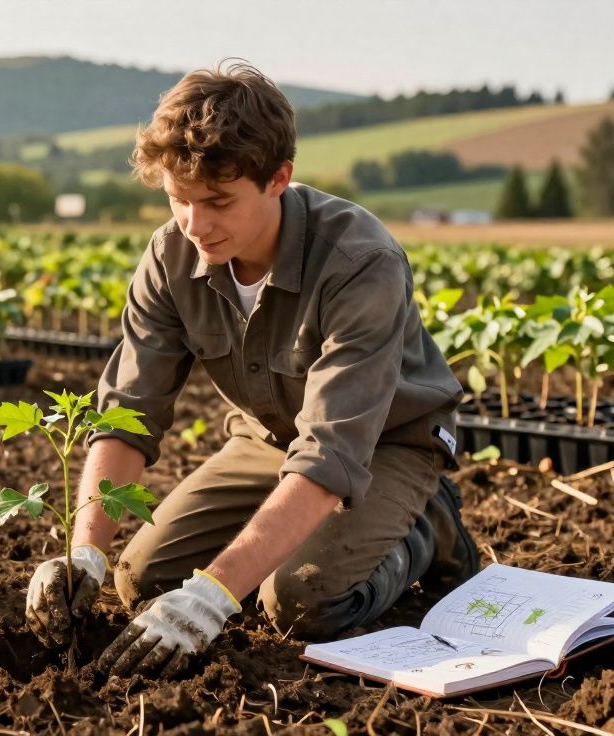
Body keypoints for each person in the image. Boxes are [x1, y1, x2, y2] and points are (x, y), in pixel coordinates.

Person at [24, 61, 479, 678]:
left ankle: (425, 527)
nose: (196, 224)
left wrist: (213, 596)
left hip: (384, 443)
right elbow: (127, 414)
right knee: (141, 581)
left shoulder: (357, 261)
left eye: (217, 201)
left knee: (299, 600)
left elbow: (331, 452)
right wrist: (85, 556)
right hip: (269, 436)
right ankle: (271, 541)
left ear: (278, 178)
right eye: (178, 199)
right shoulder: (172, 256)